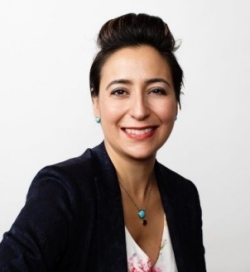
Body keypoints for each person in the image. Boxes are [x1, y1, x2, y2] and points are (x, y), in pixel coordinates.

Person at [0, 13, 206, 272]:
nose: (139, 110)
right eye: (120, 91)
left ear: (176, 101)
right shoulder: (63, 191)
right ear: (96, 103)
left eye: (156, 90)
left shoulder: (184, 195)